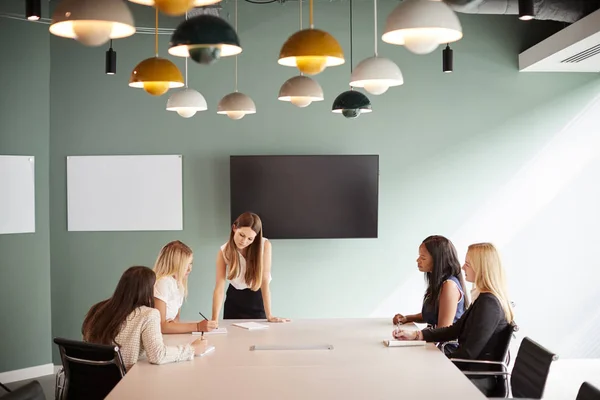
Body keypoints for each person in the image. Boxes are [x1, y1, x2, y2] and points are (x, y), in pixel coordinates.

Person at [392, 243, 515, 396]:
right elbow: (454, 330)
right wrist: (417, 335)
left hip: (476, 378)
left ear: (481, 269)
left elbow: (469, 353)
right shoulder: (483, 298)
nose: (463, 267)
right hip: (468, 371)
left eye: (468, 264)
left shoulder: (489, 304)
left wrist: (434, 362)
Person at [82, 266, 209, 370]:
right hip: (122, 384)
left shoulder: (98, 308)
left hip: (89, 381)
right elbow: (158, 355)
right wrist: (192, 349)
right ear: (147, 290)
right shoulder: (148, 314)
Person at [211, 212, 289, 322]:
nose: (244, 241)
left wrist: (269, 315)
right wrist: (214, 319)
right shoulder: (224, 251)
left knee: (259, 337)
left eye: (250, 239)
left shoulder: (265, 245)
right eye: (242, 235)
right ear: (234, 228)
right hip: (234, 300)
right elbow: (219, 287)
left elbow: (264, 281)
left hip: (256, 298)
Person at [393, 235, 469, 329]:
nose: (418, 260)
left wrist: (415, 336)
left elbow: (443, 330)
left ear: (437, 260)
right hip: (434, 340)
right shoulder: (440, 282)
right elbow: (433, 315)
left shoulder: (449, 286)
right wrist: (406, 318)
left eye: (423, 258)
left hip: (445, 343)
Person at [153, 240, 217, 334]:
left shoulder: (179, 284)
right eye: (186, 264)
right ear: (174, 264)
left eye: (191, 263)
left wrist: (171, 326)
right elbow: (161, 326)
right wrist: (197, 326)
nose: (189, 268)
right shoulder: (162, 283)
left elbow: (175, 320)